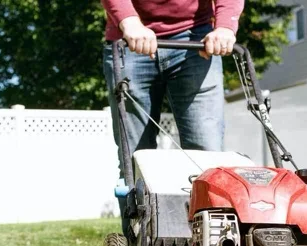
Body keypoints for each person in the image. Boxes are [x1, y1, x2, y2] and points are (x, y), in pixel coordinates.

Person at [102, 0, 245, 230]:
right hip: (130, 41)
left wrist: (225, 26)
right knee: (134, 159)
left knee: (207, 155)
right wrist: (129, 22)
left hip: (196, 41)